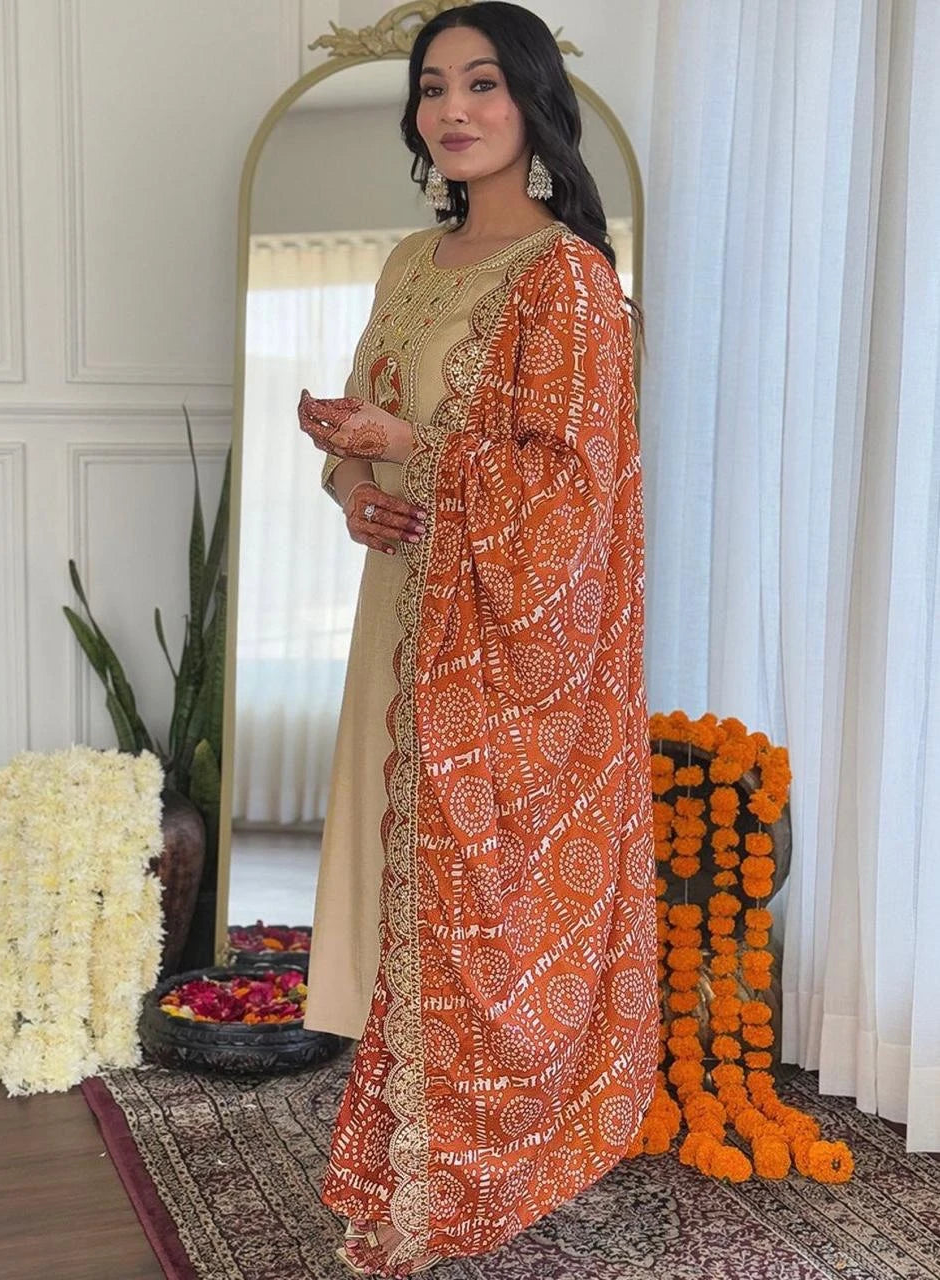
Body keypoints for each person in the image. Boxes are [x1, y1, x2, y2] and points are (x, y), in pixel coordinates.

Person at [296, 3, 657, 1275]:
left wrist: (417, 453)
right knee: (403, 906)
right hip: (403, 617)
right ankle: (411, 1167)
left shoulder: (568, 278)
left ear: (531, 105)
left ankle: (470, 1169)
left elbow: (575, 491)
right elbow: (370, 435)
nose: (453, 110)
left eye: (483, 85)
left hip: (500, 656)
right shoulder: (407, 262)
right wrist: (357, 485)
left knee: (476, 915)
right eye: (433, 88)